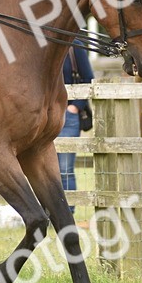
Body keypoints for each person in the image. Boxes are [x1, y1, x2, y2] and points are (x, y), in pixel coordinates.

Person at [58, 43, 94, 216]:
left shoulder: (75, 46)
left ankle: (68, 213)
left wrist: (75, 107)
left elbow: (88, 78)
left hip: (68, 116)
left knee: (65, 168)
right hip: (44, 114)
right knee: (41, 170)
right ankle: (48, 212)